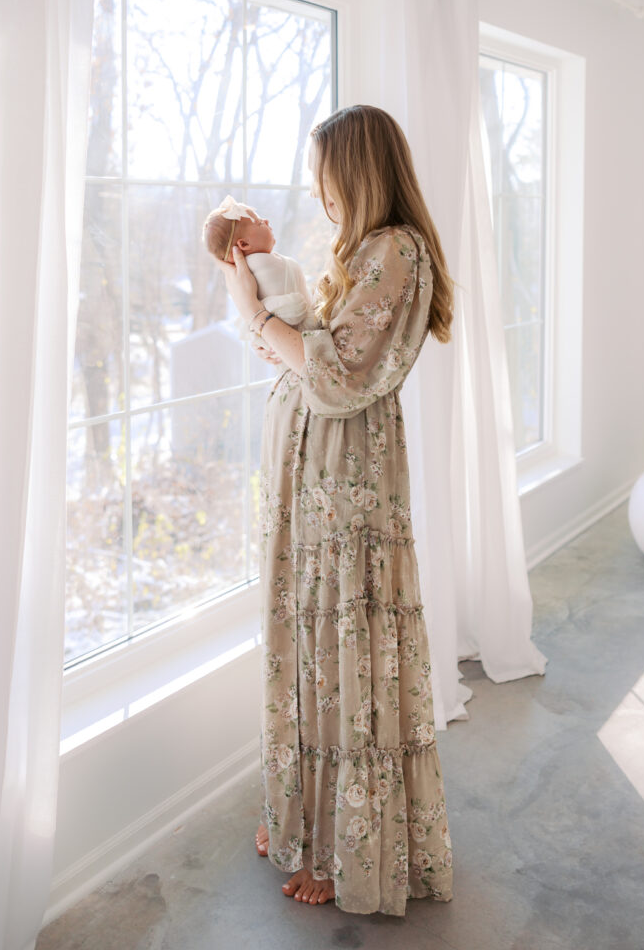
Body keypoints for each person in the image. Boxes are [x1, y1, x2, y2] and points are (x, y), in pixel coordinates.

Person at [216, 104, 455, 916]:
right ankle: (304, 819)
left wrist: (256, 311)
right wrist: (255, 278)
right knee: (315, 637)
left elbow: (340, 376)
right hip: (317, 469)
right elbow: (306, 345)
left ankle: (343, 848)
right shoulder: (364, 250)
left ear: (354, 171)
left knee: (341, 645)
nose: (319, 192)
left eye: (324, 176)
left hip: (344, 471)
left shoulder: (394, 250)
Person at [203, 195, 317, 356]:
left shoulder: (252, 270)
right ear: (244, 244)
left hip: (293, 343)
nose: (267, 221)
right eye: (260, 223)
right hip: (301, 338)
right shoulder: (259, 265)